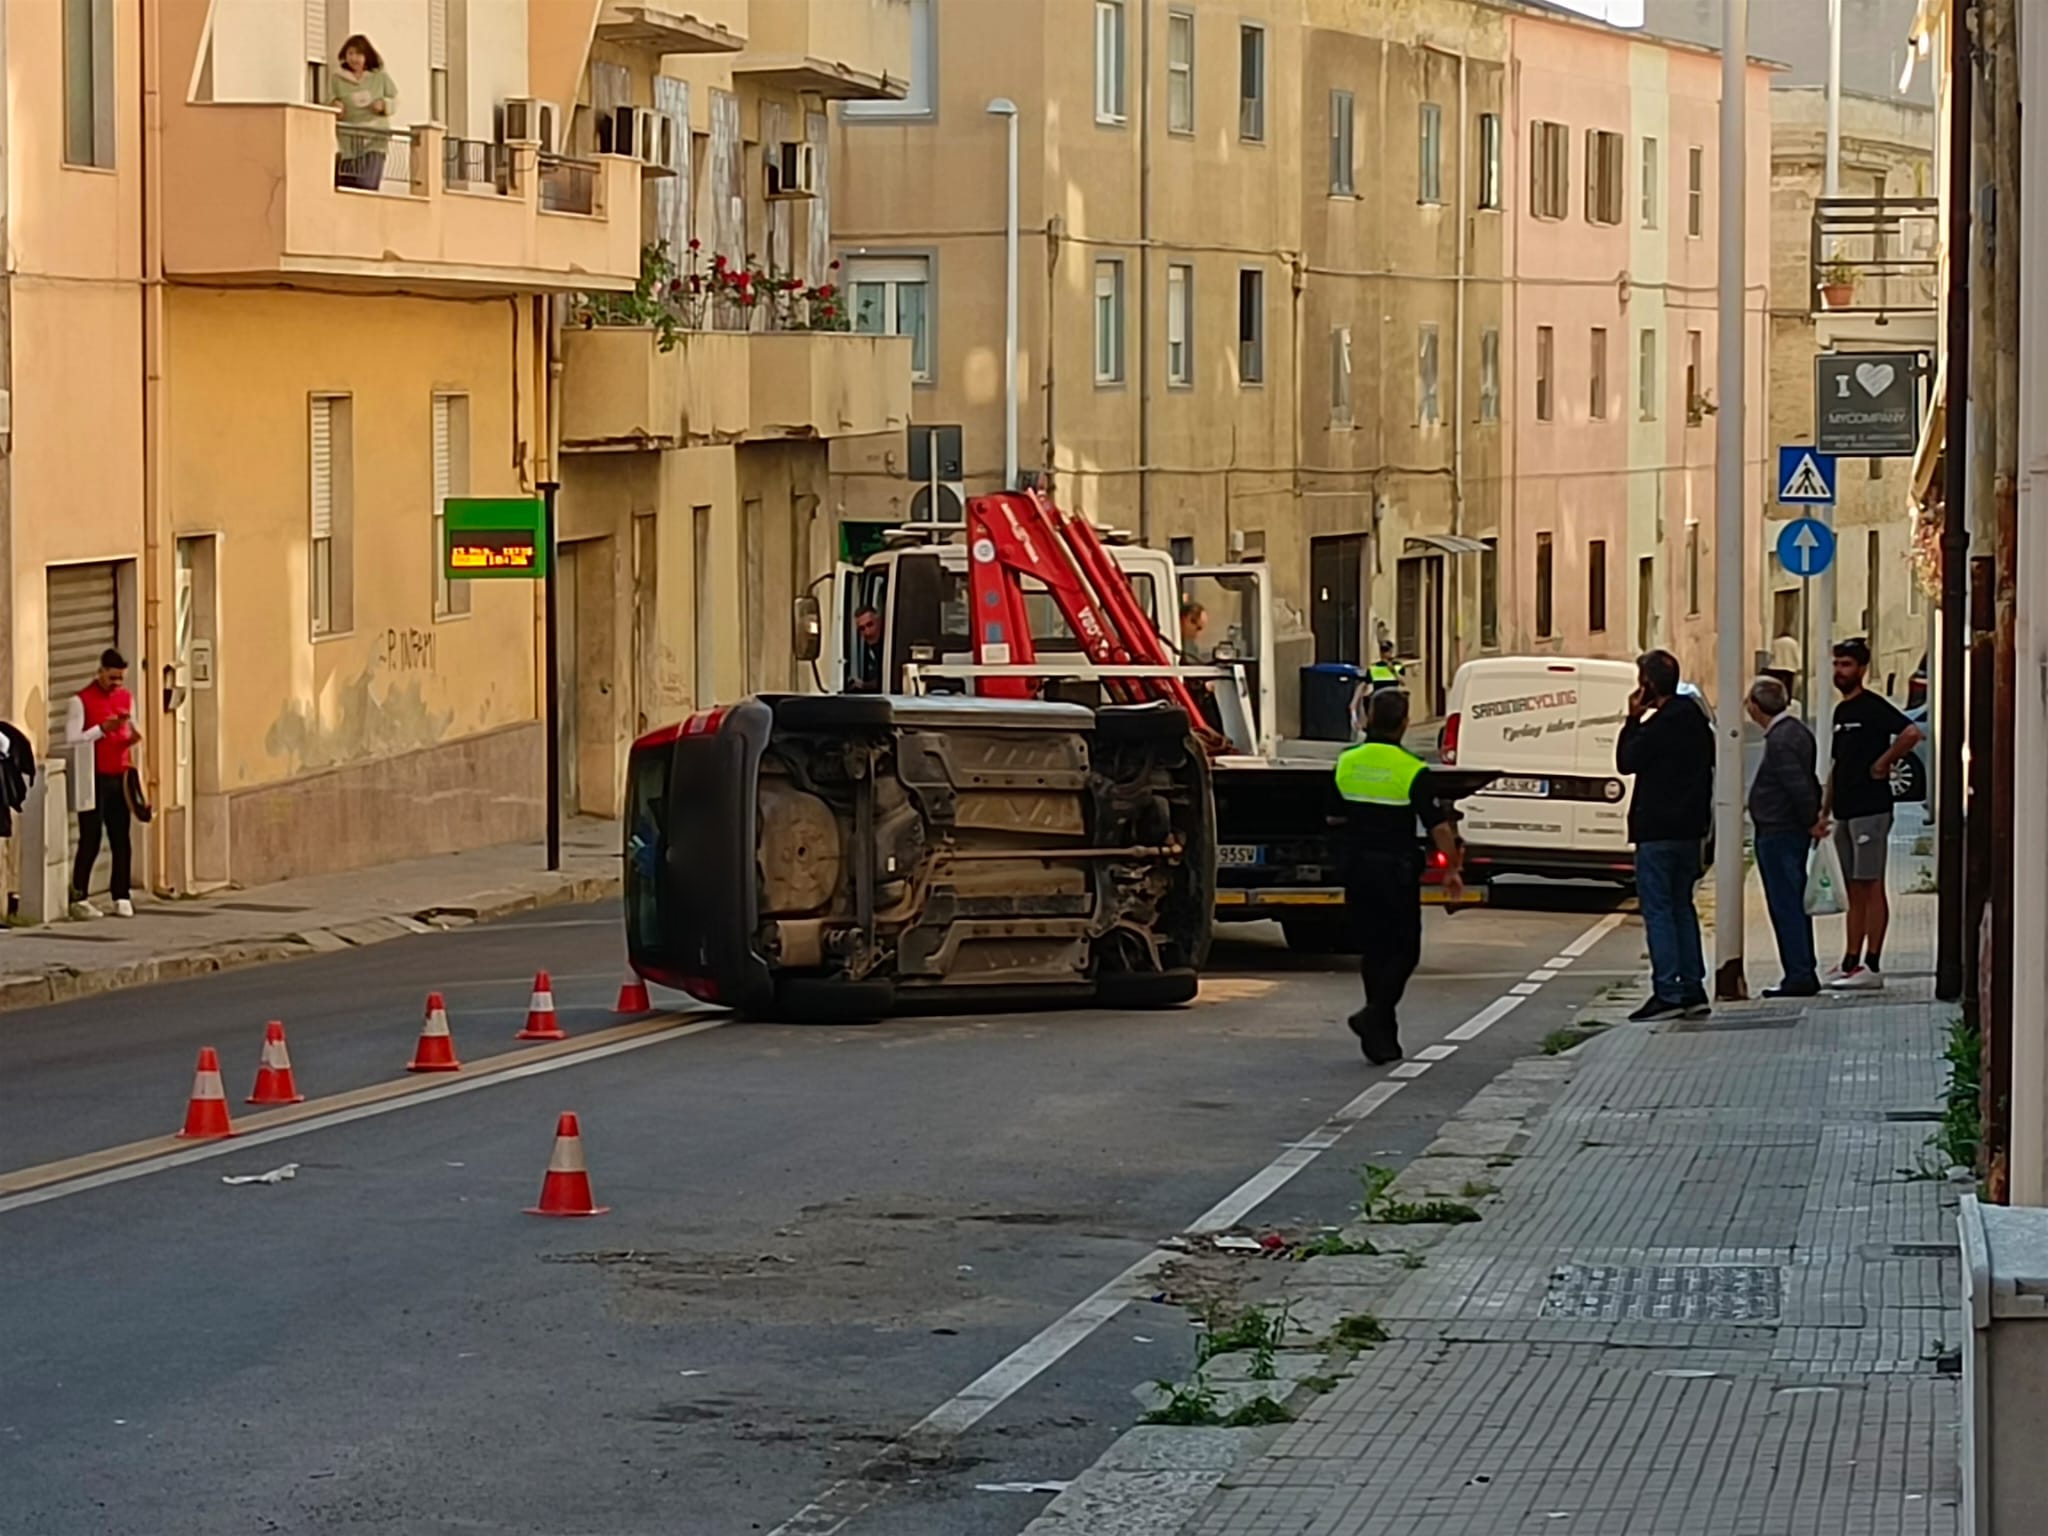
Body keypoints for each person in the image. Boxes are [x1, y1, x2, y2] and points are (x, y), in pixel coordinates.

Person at [1333, 688, 1463, 1065]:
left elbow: (1332, 815)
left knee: (1374, 950)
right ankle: (1374, 1015)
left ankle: (1382, 1037)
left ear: (1369, 719)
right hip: (1395, 872)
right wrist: (1452, 869)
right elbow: (1437, 826)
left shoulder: (1346, 762)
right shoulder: (1412, 770)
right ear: (1405, 724)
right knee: (1405, 950)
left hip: (1357, 869)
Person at [1818, 637, 1922, 990]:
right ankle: (1850, 959)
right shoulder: (1841, 712)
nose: (1840, 671)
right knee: (1852, 886)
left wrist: (1883, 763)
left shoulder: (1873, 707)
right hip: (1845, 811)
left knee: (1871, 882)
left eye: (1846, 665)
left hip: (1871, 809)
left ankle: (1872, 963)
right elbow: (1837, 764)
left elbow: (1911, 733)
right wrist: (1825, 810)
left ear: (1861, 669)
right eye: (1836, 664)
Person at [1615, 649, 1713, 1021]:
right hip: (1690, 830)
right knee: (1682, 906)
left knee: (1658, 910)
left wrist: (1632, 719)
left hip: (1657, 830)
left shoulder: (1658, 727)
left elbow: (1626, 761)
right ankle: (1692, 987)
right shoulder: (1697, 722)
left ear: (1648, 685)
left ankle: (1668, 991)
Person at [1744, 676, 1822, 998]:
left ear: (1755, 706)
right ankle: (1802, 968)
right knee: (1792, 902)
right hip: (1788, 830)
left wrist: (1811, 820)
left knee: (1786, 904)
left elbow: (1797, 785)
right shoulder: (1796, 731)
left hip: (1780, 831)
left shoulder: (1780, 740)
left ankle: (1799, 972)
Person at [65, 648, 141, 921]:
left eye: (120, 678)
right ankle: (79, 896)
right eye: (112, 678)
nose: (116, 684)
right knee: (91, 837)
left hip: (119, 775)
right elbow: (72, 739)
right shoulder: (80, 701)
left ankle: (121, 895)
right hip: (93, 777)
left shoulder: (126, 698)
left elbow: (131, 728)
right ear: (100, 672)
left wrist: (133, 737)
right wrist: (100, 730)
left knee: (121, 838)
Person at [329, 35, 398, 190]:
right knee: (347, 184)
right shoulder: (337, 79)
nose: (354, 58)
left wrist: (384, 105)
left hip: (375, 138)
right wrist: (335, 105)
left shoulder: (380, 77)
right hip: (349, 140)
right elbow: (329, 98)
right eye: (350, 53)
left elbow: (395, 99)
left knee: (367, 183)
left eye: (358, 54)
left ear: (367, 57)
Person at [850, 605, 884, 693]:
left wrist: (864, 685)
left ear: (879, 621)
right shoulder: (867, 651)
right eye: (862, 629)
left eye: (870, 625)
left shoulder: (892, 647)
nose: (867, 632)